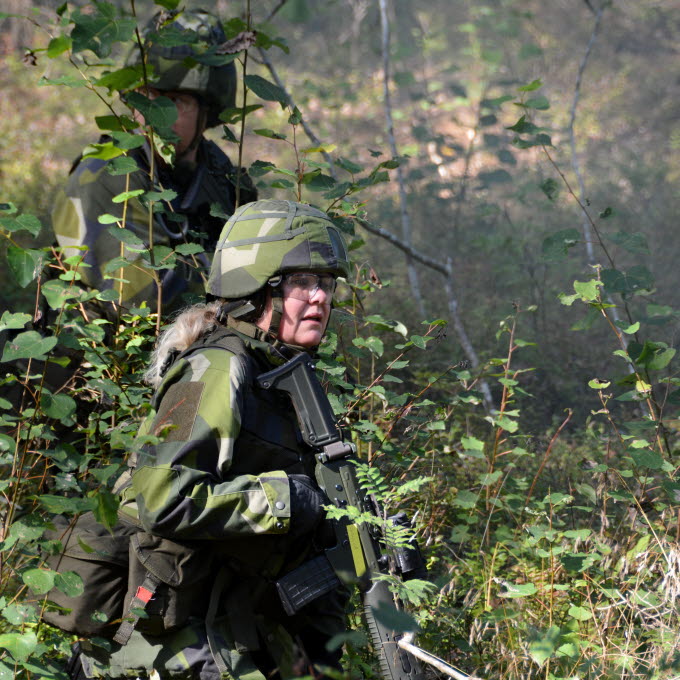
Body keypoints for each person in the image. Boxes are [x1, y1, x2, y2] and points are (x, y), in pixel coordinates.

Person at [66, 200, 351, 679]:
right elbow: (161, 496)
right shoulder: (215, 367)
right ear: (260, 287)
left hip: (228, 622)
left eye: (326, 283)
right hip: (158, 634)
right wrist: (283, 500)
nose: (320, 298)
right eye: (304, 281)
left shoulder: (281, 376)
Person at [51, 9, 257, 320]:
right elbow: (142, 299)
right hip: (98, 356)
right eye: (147, 95)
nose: (157, 114)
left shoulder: (217, 172)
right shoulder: (105, 172)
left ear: (207, 110)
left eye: (177, 101)